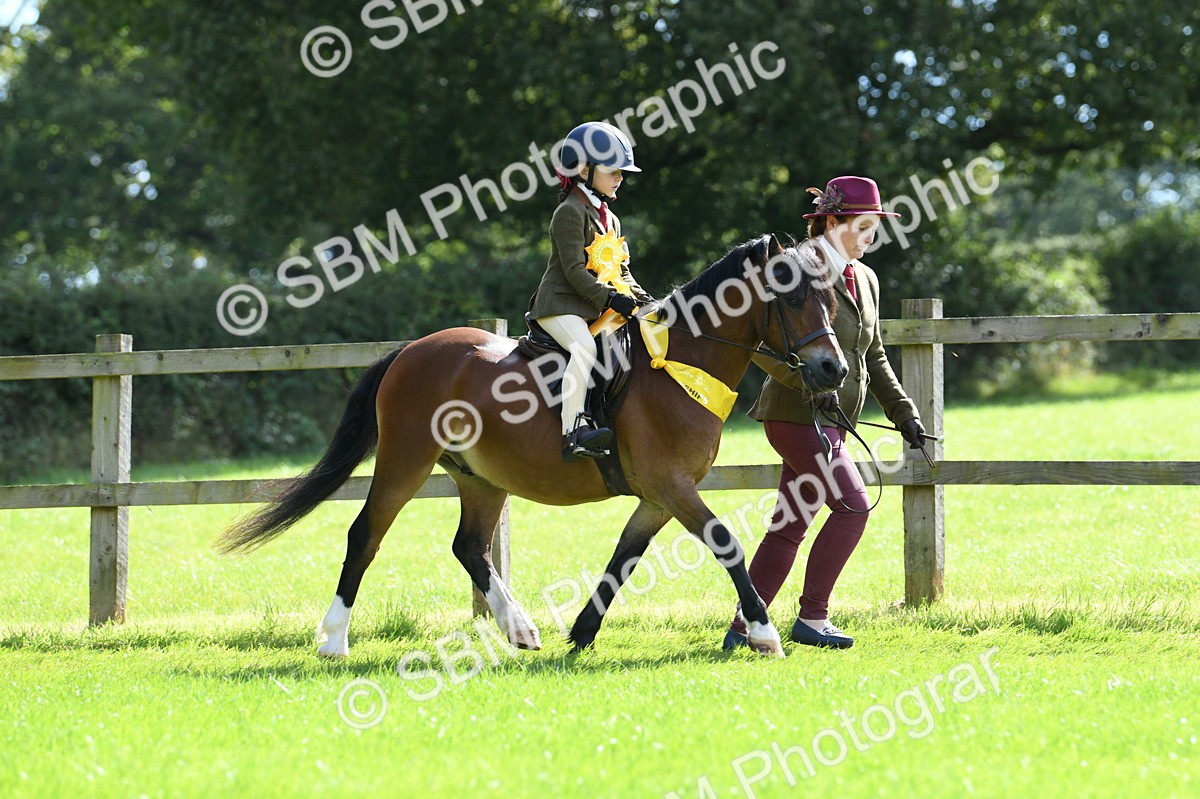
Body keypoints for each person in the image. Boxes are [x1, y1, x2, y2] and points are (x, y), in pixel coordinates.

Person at [724, 175, 928, 650]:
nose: (871, 238)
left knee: (789, 527)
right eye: (863, 226)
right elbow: (757, 345)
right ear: (832, 222)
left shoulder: (868, 279)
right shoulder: (795, 271)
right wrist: (809, 385)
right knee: (854, 507)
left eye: (875, 227)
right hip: (796, 415)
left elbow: (872, 356)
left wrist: (905, 416)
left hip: (835, 420)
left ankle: (744, 627)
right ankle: (813, 618)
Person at [528, 121, 654, 462]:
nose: (620, 179)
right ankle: (574, 429)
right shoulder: (569, 211)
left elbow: (620, 272)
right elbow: (573, 272)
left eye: (621, 173)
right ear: (584, 169)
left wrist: (646, 302)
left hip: (593, 307)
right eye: (613, 172)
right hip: (560, 305)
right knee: (583, 348)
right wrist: (611, 299)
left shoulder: (610, 218)